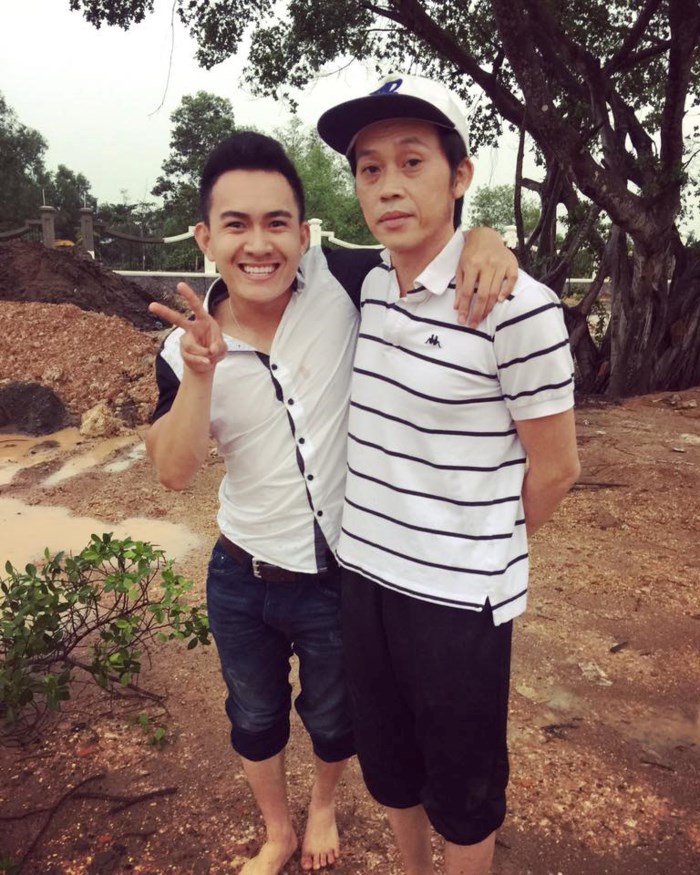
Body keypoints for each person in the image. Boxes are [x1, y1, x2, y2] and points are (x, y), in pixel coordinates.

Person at [145, 131, 518, 875]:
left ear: (305, 233)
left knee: (335, 713)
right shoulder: (181, 347)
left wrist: (485, 235)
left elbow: (425, 242)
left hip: (339, 574)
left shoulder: (346, 284)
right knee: (254, 714)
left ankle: (322, 804)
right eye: (236, 224)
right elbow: (174, 472)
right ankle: (277, 830)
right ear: (206, 237)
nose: (259, 244)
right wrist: (200, 373)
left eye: (277, 222)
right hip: (241, 573)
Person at [317, 73, 581, 875]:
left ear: (460, 174)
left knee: (465, 790)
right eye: (369, 168)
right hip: (365, 575)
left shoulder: (517, 308)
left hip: (458, 602)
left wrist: (476, 543)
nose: (388, 186)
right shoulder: (365, 285)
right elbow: (259, 251)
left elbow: (557, 468)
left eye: (412, 162)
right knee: (390, 765)